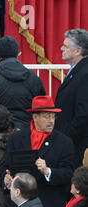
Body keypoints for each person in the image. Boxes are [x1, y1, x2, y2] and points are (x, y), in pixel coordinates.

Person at [4, 96, 74, 207]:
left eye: (53, 116)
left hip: (50, 206)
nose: (51, 121)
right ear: (35, 117)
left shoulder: (64, 142)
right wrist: (6, 180)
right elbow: (6, 167)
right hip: (21, 206)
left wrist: (48, 171)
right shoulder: (15, 138)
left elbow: (69, 173)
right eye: (47, 116)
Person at [55, 29, 88, 167]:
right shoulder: (77, 70)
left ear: (78, 51)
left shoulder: (85, 73)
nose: (62, 48)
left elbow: (83, 113)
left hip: (77, 145)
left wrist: (65, 138)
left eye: (66, 46)